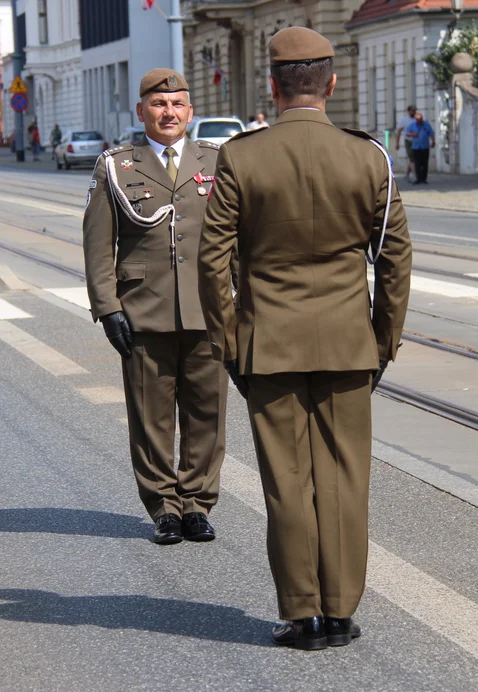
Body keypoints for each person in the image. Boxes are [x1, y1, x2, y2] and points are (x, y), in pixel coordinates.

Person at [198, 27, 412, 650]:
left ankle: (302, 615)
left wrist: (229, 341)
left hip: (269, 344)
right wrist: (383, 340)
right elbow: (395, 259)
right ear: (332, 84)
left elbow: (213, 262)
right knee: (346, 476)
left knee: (287, 480)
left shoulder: (240, 157)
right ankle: (342, 610)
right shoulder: (369, 157)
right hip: (348, 343)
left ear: (273, 84)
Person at [83, 69, 229, 545]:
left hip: (208, 312)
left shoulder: (219, 160)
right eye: (159, 105)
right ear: (142, 111)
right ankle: (163, 506)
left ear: (190, 111)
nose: (169, 113)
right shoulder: (116, 166)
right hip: (143, 310)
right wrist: (108, 308)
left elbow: (239, 240)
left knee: (207, 413)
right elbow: (98, 244)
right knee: (151, 417)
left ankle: (197, 504)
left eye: (178, 105)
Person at [407, 110, 435, 185]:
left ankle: (424, 179)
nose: (419, 121)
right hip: (416, 147)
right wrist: (413, 134)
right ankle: (418, 178)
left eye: (420, 120)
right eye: (418, 120)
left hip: (425, 147)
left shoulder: (426, 125)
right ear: (416, 120)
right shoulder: (412, 125)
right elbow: (407, 133)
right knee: (417, 163)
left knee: (425, 163)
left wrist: (433, 142)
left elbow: (431, 133)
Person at [396, 105, 416, 181]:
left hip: (417, 141)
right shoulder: (404, 120)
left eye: (414, 110)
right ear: (408, 111)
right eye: (412, 110)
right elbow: (399, 131)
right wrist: (397, 143)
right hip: (408, 141)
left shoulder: (416, 119)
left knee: (413, 159)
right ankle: (415, 175)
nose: (413, 112)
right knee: (412, 158)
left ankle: (407, 173)